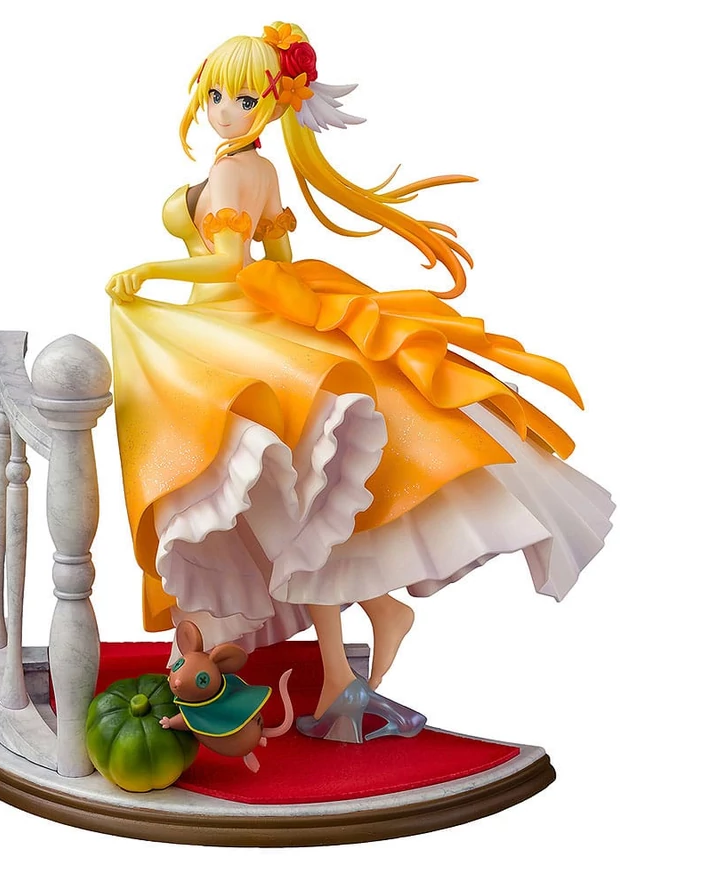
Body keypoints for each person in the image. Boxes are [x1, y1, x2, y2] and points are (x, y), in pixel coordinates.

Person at [105, 22, 614, 743]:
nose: (223, 111)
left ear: (272, 105)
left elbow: (230, 264)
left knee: (289, 504)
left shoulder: (236, 173)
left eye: (243, 100)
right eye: (215, 94)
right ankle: (367, 629)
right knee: (291, 507)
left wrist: (148, 271)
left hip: (224, 336)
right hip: (233, 331)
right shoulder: (256, 169)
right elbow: (278, 254)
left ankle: (350, 659)